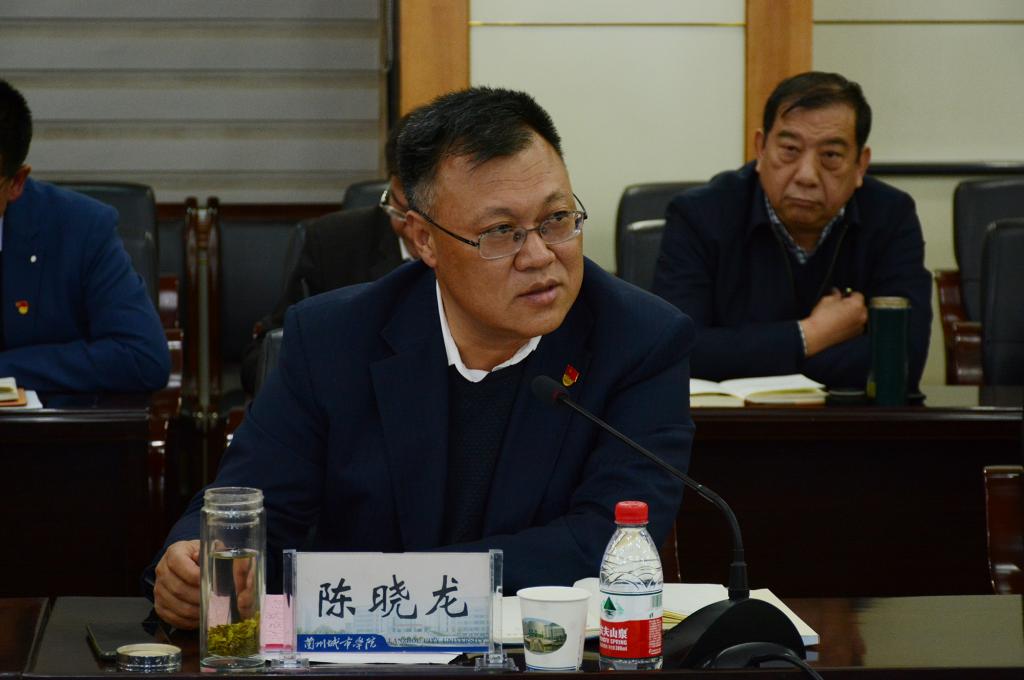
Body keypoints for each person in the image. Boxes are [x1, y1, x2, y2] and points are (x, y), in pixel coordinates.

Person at [150, 87, 694, 630]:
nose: (539, 256)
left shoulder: (640, 340)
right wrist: (194, 562)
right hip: (356, 656)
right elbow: (255, 505)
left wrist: (401, 584)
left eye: (556, 219)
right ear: (424, 240)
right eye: (500, 232)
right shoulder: (333, 338)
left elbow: (606, 541)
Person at [652, 71, 932, 389]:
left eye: (830, 155)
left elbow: (900, 360)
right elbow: (680, 351)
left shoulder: (891, 216)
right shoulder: (700, 215)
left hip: (849, 417)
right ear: (761, 149)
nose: (806, 175)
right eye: (790, 149)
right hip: (734, 419)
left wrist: (748, 355)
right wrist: (811, 335)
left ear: (860, 165)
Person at [0, 78, 170, 392]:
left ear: (16, 182)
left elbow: (143, 357)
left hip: (42, 422)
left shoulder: (80, 230)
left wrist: (7, 371)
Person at [239, 119, 416, 394]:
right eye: (400, 211)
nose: (414, 229)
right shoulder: (334, 243)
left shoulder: (476, 249)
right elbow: (268, 354)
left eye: (425, 218)